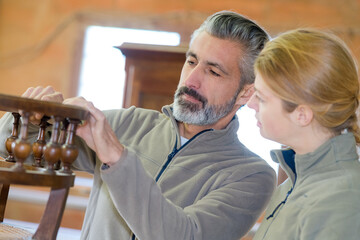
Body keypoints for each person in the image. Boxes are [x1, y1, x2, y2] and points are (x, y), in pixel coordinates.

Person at [0, 11, 276, 240]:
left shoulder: (251, 176)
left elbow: (183, 237)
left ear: (246, 93)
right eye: (191, 61)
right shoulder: (127, 123)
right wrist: (28, 117)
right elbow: (6, 146)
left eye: (213, 71)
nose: (191, 80)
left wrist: (117, 158)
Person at [247, 28, 360, 239]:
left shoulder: (342, 199)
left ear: (302, 114)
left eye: (261, 98)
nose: (250, 103)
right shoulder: (292, 183)